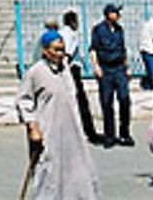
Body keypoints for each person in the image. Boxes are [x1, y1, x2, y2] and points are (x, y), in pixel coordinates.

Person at [17, 29, 102, 200]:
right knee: (49, 175)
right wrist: (32, 127)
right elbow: (24, 101)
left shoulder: (66, 70)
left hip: (72, 132)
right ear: (45, 51)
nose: (60, 54)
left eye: (62, 49)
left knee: (78, 172)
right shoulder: (35, 72)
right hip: (48, 131)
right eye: (56, 50)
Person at [89, 3, 133, 148]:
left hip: (119, 68)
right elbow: (93, 49)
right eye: (115, 12)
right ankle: (109, 135)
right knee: (107, 103)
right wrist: (96, 67)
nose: (118, 15)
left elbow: (123, 49)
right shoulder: (98, 30)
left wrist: (127, 68)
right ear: (108, 14)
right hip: (106, 69)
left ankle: (124, 133)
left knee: (125, 99)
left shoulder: (120, 30)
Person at [61, 11, 98, 143]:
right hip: (71, 69)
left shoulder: (61, 33)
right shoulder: (70, 34)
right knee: (80, 101)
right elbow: (68, 53)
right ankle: (88, 131)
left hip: (66, 68)